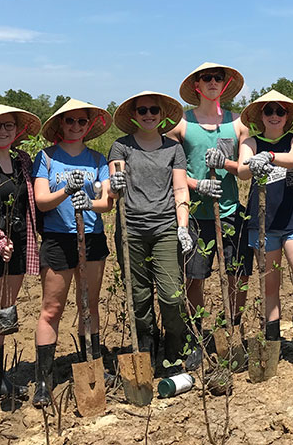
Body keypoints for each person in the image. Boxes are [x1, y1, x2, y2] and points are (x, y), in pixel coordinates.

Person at [168, 62, 253, 370]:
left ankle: (235, 329)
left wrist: (227, 163)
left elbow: (244, 171)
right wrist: (195, 183)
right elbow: (168, 166)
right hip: (195, 215)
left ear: (225, 83)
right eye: (207, 78)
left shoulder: (238, 123)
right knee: (195, 279)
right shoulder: (182, 124)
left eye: (219, 78)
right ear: (197, 86)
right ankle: (195, 338)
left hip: (230, 212)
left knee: (238, 276)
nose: (213, 82)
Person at [32, 98, 113, 407]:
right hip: (58, 239)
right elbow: (41, 201)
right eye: (70, 121)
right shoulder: (47, 158)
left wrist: (89, 203)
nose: (76, 126)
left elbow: (107, 202)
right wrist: (66, 191)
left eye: (82, 122)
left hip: (91, 238)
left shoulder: (97, 159)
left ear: (88, 126)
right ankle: (44, 380)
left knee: (88, 305)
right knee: (52, 308)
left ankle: (90, 363)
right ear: (61, 125)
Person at [108, 91, 191, 374]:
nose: (148, 115)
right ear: (134, 115)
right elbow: (112, 185)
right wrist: (113, 182)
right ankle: (146, 343)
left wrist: (182, 226)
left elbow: (180, 187)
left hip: (166, 227)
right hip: (130, 229)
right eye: (142, 111)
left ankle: (173, 347)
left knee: (172, 295)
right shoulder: (121, 147)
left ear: (162, 114)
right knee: (139, 296)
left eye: (153, 110)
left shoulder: (173, 148)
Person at [238, 90, 293, 372]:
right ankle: (272, 342)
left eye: (280, 111)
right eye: (268, 111)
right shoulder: (250, 141)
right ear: (260, 116)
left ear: (288, 117)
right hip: (263, 221)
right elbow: (242, 170)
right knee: (270, 287)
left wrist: (269, 156)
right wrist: (252, 162)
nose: (274, 115)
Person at [0, 103, 41, 419]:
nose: (3, 131)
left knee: (3, 318)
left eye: (8, 126)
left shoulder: (23, 160)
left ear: (16, 130)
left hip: (18, 245)